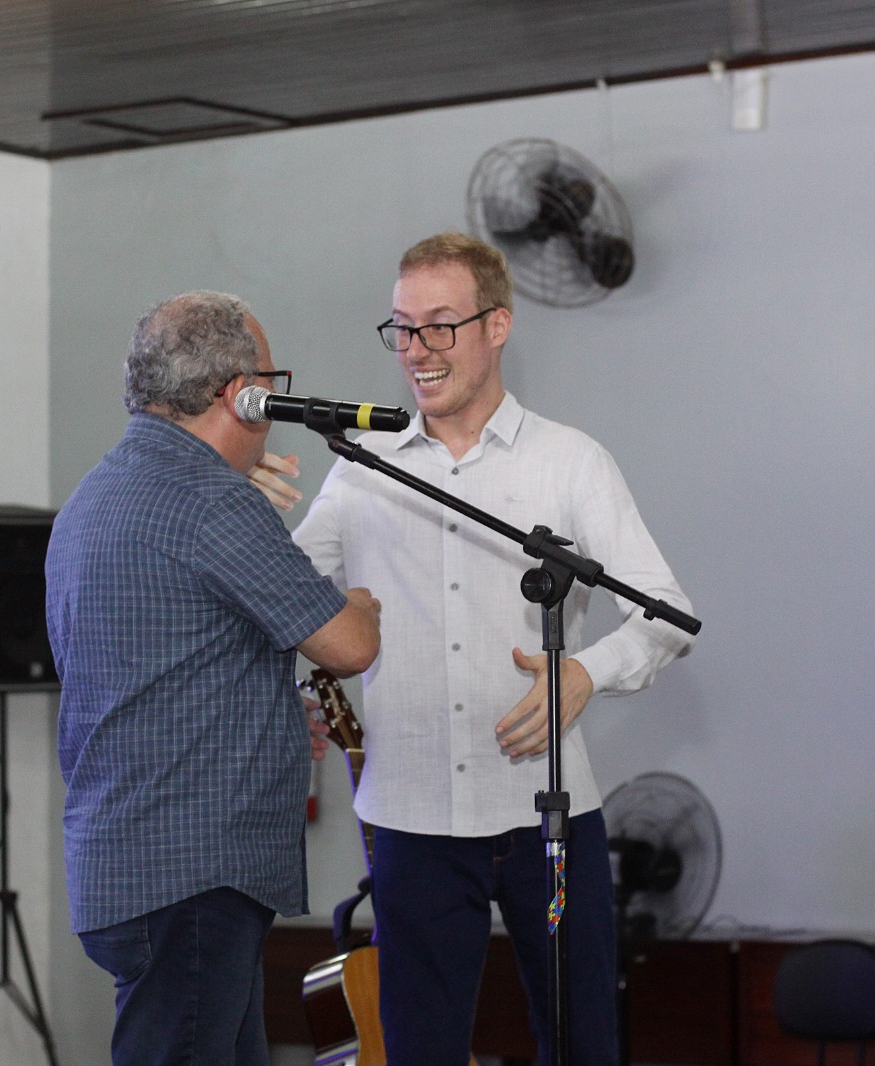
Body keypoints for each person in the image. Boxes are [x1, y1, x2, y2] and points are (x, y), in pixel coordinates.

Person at [256, 232, 695, 1066]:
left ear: (498, 326)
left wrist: (585, 672)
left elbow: (668, 614)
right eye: (401, 327)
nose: (416, 349)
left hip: (549, 818)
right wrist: (242, 514)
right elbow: (280, 597)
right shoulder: (362, 465)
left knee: (582, 1046)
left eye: (439, 325)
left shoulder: (570, 462)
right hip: (411, 818)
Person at [46, 290, 382, 1065]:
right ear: (241, 393)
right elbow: (348, 646)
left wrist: (269, 717)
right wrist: (363, 601)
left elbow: (150, 671)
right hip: (192, 873)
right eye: (272, 379)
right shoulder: (211, 499)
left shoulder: (95, 496)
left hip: (126, 863)